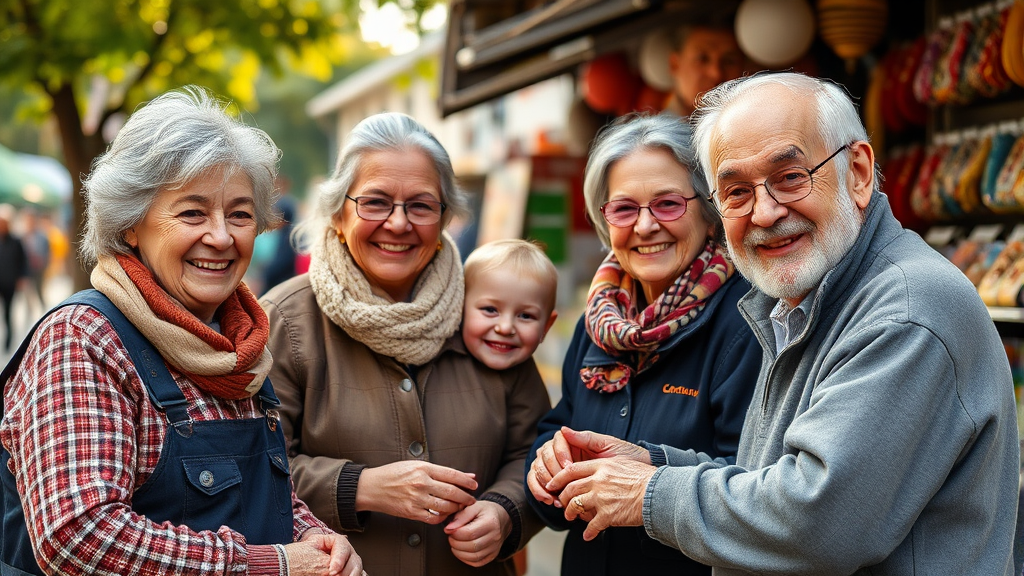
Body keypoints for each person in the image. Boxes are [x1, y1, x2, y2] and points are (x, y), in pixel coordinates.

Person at [535, 72, 1023, 575]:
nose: (765, 213)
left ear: (857, 173)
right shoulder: (802, 299)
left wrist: (649, 492)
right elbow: (769, 477)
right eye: (737, 192)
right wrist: (652, 465)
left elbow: (820, 521)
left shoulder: (906, 311)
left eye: (790, 177)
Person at [0, 87, 363, 576]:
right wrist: (270, 564)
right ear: (130, 224)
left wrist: (314, 538)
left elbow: (262, 497)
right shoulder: (83, 338)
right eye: (193, 212)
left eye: (240, 214)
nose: (221, 236)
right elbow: (78, 536)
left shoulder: (241, 347)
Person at [259, 112, 552, 576]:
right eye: (375, 202)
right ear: (338, 214)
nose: (398, 223)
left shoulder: (489, 316)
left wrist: (505, 511)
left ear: (445, 219)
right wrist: (362, 487)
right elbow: (255, 465)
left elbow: (537, 451)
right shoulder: (285, 321)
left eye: (420, 205)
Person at [525, 113, 761, 576]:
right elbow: (559, 426)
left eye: (668, 204)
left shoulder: (745, 323)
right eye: (624, 209)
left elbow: (757, 487)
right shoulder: (598, 322)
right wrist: (548, 463)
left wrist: (648, 480)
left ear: (709, 213)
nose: (646, 225)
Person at [461, 239, 558, 371]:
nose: (505, 328)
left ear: (546, 327)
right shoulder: (436, 365)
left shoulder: (530, 380)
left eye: (525, 316)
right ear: (460, 310)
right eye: (490, 310)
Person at [662, 23, 745, 118]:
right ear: (675, 64)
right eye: (702, 59)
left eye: (729, 61)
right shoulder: (658, 127)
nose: (716, 73)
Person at [0, 205, 27, 352]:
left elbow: (23, 262)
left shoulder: (16, 241)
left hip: (9, 283)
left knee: (8, 313)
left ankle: (8, 342)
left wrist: (21, 278)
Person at [19, 207, 50, 312]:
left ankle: (44, 312)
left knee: (39, 293)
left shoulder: (42, 237)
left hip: (38, 270)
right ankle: (28, 317)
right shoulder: (22, 237)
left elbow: (47, 253)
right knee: (27, 296)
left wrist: (43, 264)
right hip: (26, 271)